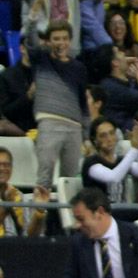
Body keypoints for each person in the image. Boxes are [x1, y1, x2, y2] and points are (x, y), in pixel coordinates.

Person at [25, 19, 89, 189]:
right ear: (48, 41)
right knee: (44, 177)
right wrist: (32, 18)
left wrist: (87, 136)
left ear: (70, 40)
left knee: (71, 181)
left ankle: (68, 216)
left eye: (64, 38)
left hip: (74, 127)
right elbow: (30, 41)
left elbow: (83, 103)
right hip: (49, 123)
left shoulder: (79, 68)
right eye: (56, 38)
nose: (61, 42)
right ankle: (39, 215)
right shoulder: (41, 60)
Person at [82, 117, 138, 204]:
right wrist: (134, 149)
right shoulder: (91, 163)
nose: (109, 139)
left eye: (112, 133)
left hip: (123, 212)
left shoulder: (121, 160)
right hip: (100, 214)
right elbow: (113, 178)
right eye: (103, 136)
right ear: (95, 140)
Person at [97, 45, 138, 131]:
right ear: (115, 62)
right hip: (121, 133)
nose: (123, 53)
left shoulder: (118, 81)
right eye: (119, 52)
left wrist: (124, 63)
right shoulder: (110, 86)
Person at [0, 147, 48, 237]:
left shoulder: (18, 196)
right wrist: (7, 207)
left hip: (17, 248)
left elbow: (31, 236)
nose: (2, 168)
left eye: (6, 165)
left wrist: (39, 211)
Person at [0, 36, 36, 133]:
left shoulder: (47, 75)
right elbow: (6, 112)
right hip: (19, 130)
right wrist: (28, 96)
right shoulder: (7, 76)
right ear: (22, 48)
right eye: (32, 47)